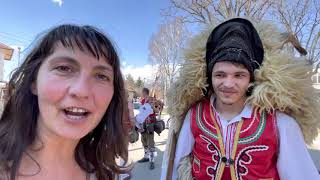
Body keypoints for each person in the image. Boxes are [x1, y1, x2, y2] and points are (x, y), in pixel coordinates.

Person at [161, 18, 320, 180]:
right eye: (220, 75)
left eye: (239, 75)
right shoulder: (195, 115)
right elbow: (173, 168)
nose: (228, 84)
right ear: (210, 77)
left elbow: (301, 174)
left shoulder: (279, 123)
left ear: (251, 78)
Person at [0, 24, 130, 180]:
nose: (82, 91)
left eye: (101, 76)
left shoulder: (106, 174)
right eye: (64, 68)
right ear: (34, 82)